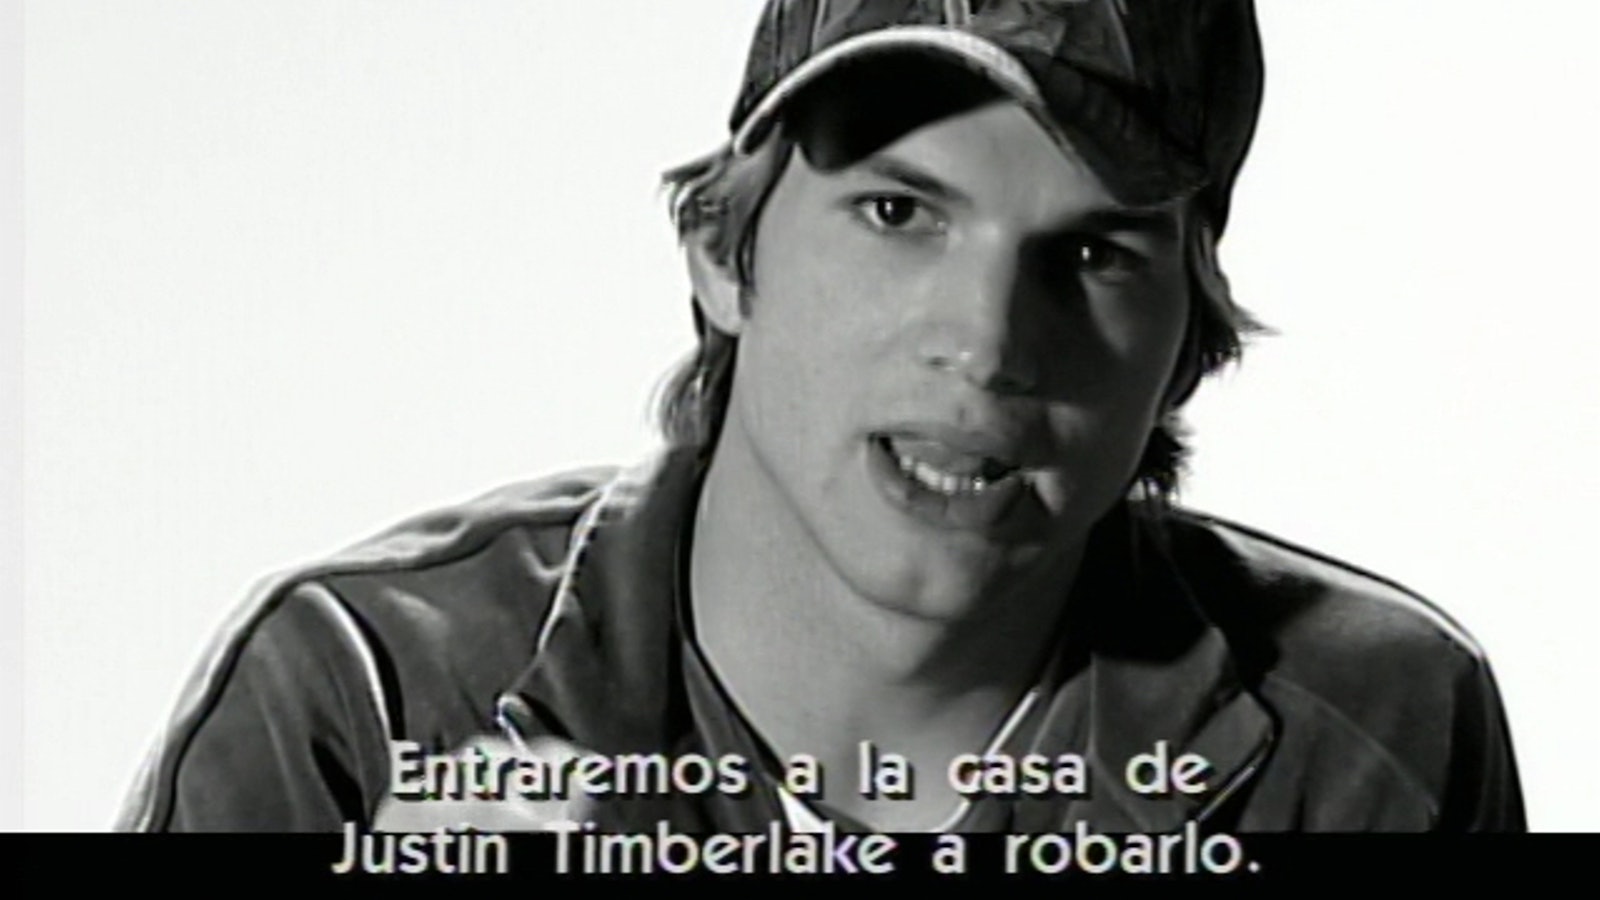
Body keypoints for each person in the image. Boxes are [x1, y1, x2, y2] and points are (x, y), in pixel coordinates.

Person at [115, 0, 1524, 834]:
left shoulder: (1376, 734)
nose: (987, 346)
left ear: (1185, 343)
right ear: (725, 254)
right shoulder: (361, 698)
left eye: (1094, 254)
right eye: (900, 213)